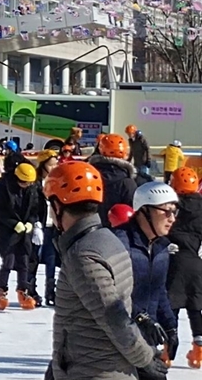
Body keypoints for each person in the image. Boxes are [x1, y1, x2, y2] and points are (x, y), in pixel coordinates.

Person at [43, 161, 166, 380]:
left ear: (57, 206)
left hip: (95, 373)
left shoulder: (84, 255)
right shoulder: (107, 240)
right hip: (85, 364)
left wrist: (146, 359)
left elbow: (114, 316)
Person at [112, 182, 179, 377]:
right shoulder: (119, 243)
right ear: (144, 211)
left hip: (145, 342)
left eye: (174, 212)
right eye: (166, 211)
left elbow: (160, 291)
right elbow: (110, 294)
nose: (172, 218)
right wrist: (141, 317)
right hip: (117, 342)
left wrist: (171, 326)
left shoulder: (161, 249)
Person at [0, 162, 42, 310]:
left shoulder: (32, 189)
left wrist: (31, 223)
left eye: (29, 183)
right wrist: (14, 223)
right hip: (6, 230)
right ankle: (2, 292)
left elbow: (34, 210)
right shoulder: (5, 187)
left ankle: (23, 291)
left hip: (24, 230)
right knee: (8, 261)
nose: (26, 185)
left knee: (24, 261)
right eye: (24, 182)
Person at [167, 167, 202, 369]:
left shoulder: (171, 207)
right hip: (196, 263)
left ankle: (167, 352)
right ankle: (198, 351)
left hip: (174, 259)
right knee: (195, 307)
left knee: (171, 307)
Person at [27, 149, 59, 307]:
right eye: (50, 164)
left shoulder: (57, 182)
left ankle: (50, 292)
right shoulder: (35, 183)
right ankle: (30, 290)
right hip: (38, 227)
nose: (54, 167)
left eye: (55, 164)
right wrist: (35, 224)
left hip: (53, 227)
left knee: (52, 260)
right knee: (33, 259)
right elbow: (31, 206)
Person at [88, 133, 137, 227]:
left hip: (90, 230)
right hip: (117, 234)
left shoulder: (89, 176)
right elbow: (134, 212)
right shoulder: (127, 182)